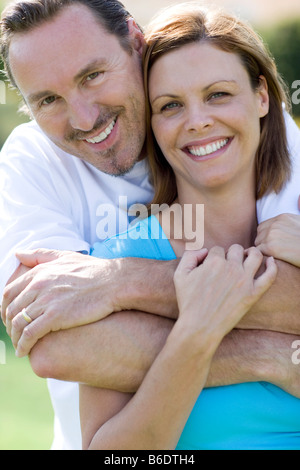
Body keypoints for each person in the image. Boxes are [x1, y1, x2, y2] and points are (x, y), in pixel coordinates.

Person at [0, 0, 300, 450]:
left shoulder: (266, 134)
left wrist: (117, 286)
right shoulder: (31, 163)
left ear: (136, 43)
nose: (84, 119)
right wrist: (271, 356)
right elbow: (55, 343)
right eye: (48, 100)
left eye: (92, 76)